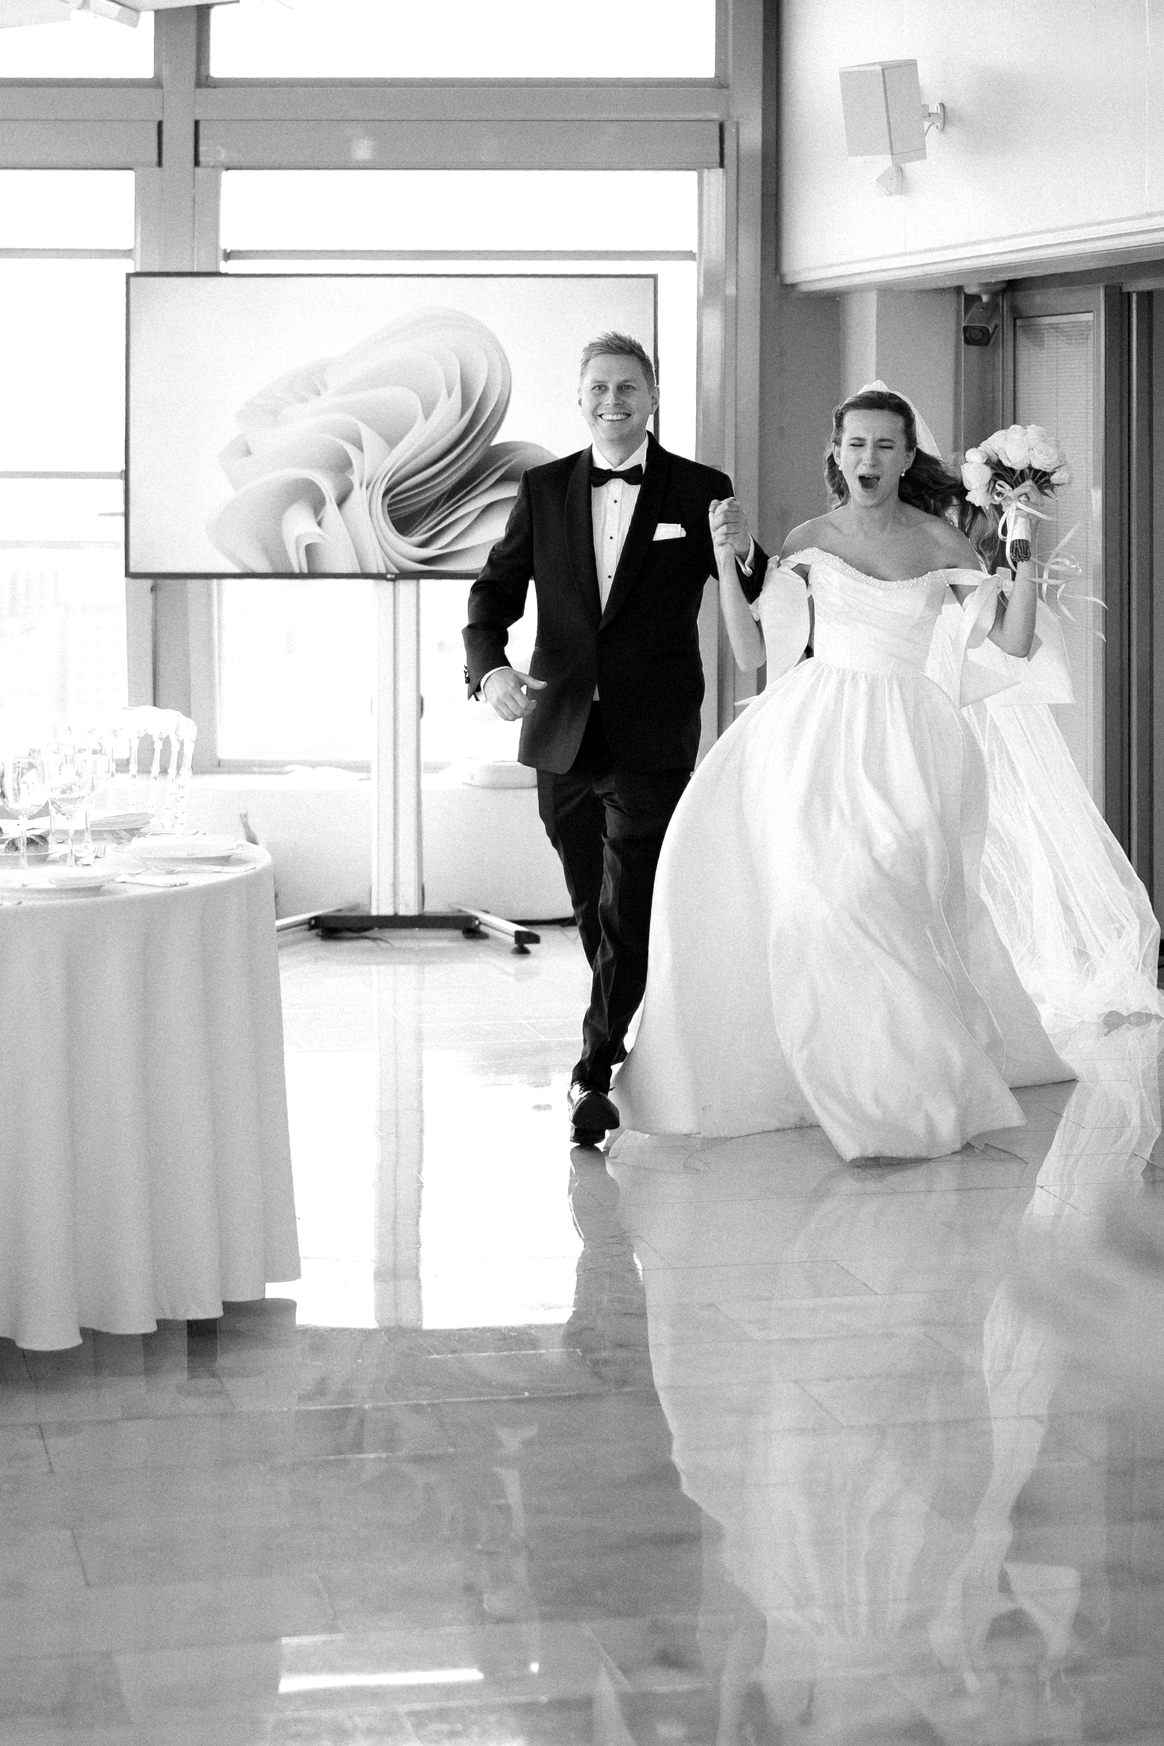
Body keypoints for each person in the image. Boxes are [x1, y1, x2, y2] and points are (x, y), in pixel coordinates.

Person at [614, 384, 1086, 1162]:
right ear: (837, 454)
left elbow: (1010, 643)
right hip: (813, 735)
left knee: (891, 901)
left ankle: (912, 1085)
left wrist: (1022, 546)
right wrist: (728, 564)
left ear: (905, 458)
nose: (868, 457)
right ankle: (849, 1084)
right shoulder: (810, 537)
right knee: (820, 901)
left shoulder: (941, 541)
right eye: (855, 443)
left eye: (884, 445)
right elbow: (751, 652)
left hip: (910, 739)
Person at [464, 333, 768, 1144]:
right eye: (598, 387)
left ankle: (593, 1073)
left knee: (627, 898)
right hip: (560, 728)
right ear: (580, 397)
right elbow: (493, 592)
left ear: (653, 395)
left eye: (627, 386)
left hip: (652, 730)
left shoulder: (701, 489)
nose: (612, 400)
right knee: (593, 905)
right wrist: (490, 671)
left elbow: (749, 585)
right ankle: (631, 1010)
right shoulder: (544, 487)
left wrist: (743, 548)